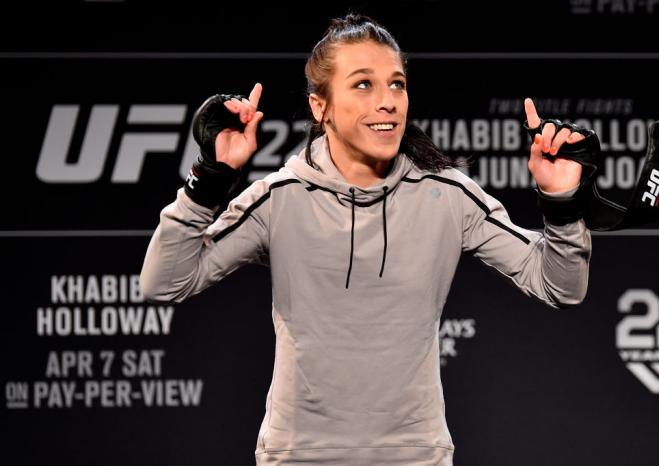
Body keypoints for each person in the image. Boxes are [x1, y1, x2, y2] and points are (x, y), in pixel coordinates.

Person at [140, 14, 592, 466]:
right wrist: (210, 180)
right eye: (363, 85)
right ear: (321, 107)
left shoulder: (447, 195)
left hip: (414, 457)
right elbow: (165, 282)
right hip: (301, 456)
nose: (388, 102)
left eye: (396, 84)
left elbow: (560, 286)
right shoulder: (282, 198)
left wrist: (563, 202)